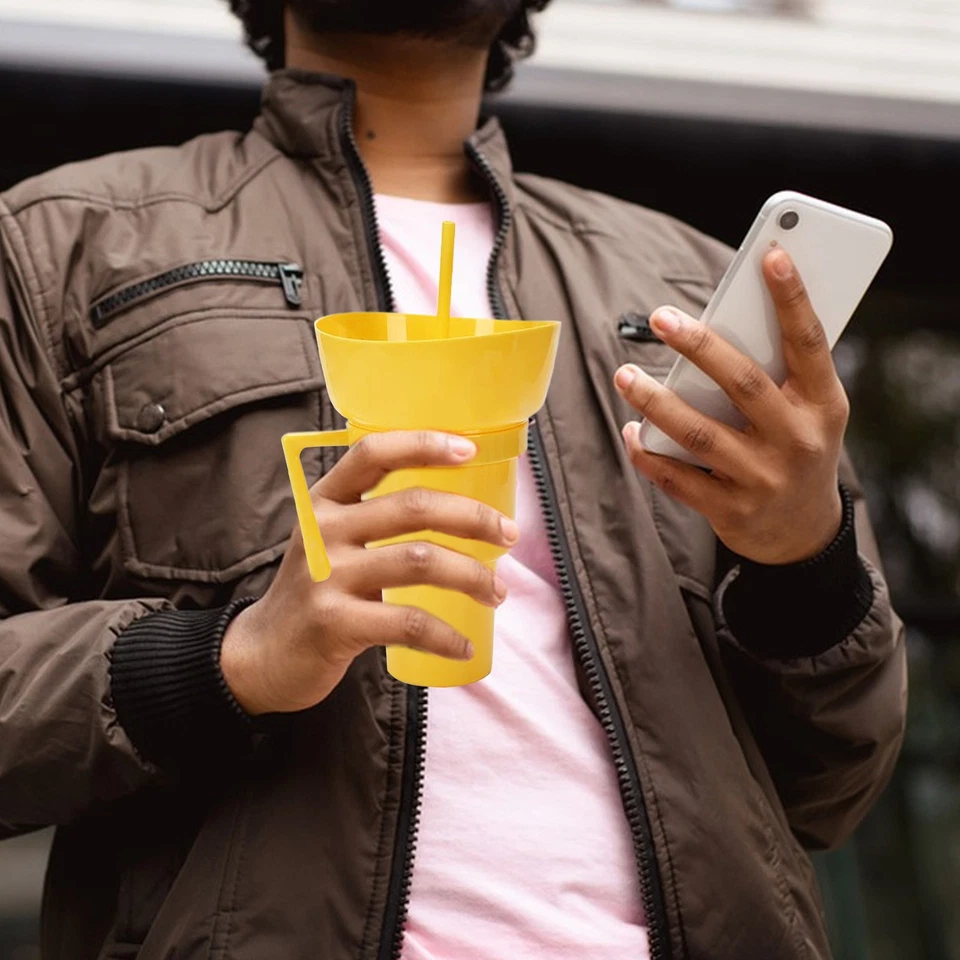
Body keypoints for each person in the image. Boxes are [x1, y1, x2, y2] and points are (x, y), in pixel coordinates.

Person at [0, 2, 906, 958]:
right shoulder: (57, 246)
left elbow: (830, 786)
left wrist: (805, 563)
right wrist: (232, 659)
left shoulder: (692, 284)